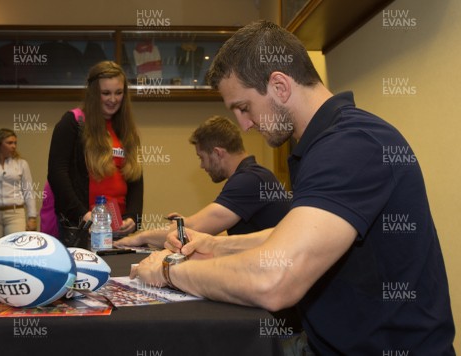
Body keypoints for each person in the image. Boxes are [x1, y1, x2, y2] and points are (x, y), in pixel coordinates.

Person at [131, 20, 455, 355]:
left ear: (280, 86)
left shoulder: (352, 144)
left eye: (243, 108)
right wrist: (215, 246)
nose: (243, 124)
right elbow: (296, 235)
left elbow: (275, 280)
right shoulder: (323, 144)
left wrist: (171, 271)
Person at [115, 115, 289, 249]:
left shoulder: (248, 180)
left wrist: (140, 237)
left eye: (202, 158)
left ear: (217, 153)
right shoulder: (254, 176)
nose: (202, 166)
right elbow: (206, 229)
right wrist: (188, 223)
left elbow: (192, 229)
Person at [47, 61, 143, 239]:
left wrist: (133, 217)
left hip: (118, 228)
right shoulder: (72, 123)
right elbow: (57, 174)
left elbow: (135, 178)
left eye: (119, 93)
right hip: (83, 227)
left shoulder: (126, 129)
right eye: (105, 93)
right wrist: (82, 215)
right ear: (93, 93)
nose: (113, 99)